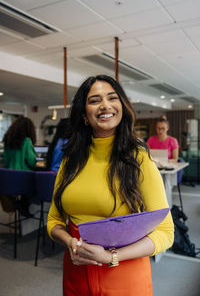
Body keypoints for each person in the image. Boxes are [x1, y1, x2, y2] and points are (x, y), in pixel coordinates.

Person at [47, 75, 174, 296]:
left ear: (121, 107)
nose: (105, 105)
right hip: (76, 269)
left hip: (124, 270)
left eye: (112, 98)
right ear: (84, 115)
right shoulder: (70, 161)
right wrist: (69, 241)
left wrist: (111, 257)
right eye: (94, 100)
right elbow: (54, 220)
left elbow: (166, 232)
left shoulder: (139, 159)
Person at [3, 116, 37, 216]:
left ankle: (16, 203)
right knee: (37, 185)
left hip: (8, 180)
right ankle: (23, 206)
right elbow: (32, 162)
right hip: (22, 180)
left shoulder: (7, 141)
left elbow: (6, 161)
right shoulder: (27, 141)